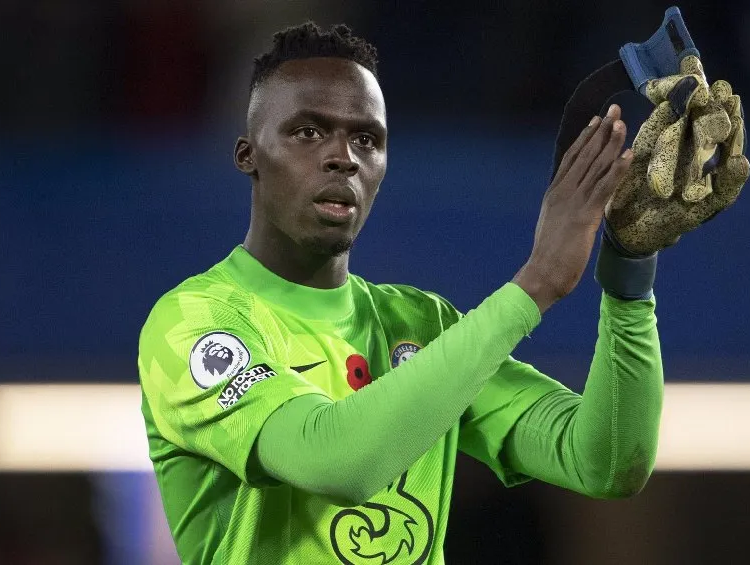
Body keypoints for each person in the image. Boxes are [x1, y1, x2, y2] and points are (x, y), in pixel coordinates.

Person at [138, 22, 663, 565]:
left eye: (366, 139)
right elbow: (338, 463)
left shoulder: (422, 324)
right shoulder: (195, 323)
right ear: (248, 155)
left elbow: (604, 461)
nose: (344, 157)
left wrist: (629, 274)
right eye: (308, 132)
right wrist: (535, 285)